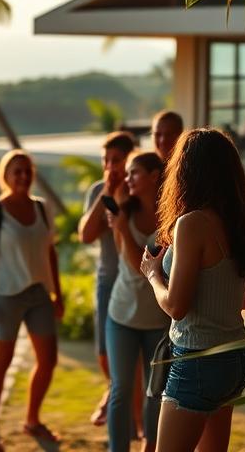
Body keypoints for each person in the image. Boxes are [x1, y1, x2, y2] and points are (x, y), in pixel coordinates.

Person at [140, 129, 245, 452]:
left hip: (197, 358)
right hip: (234, 358)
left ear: (187, 171)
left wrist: (154, 275)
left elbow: (176, 307)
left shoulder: (192, 224)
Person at [0, 149, 64, 452]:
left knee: (48, 361)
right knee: (2, 362)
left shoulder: (42, 208)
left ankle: (32, 420)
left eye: (27, 171)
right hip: (4, 296)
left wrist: (58, 294)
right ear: (6, 176)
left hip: (38, 293)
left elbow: (50, 252)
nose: (23, 177)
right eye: (17, 172)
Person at [104, 151, 169, 452]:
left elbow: (142, 267)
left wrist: (120, 229)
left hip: (157, 319)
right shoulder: (123, 211)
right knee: (120, 390)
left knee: (154, 391)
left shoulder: (172, 217)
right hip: (121, 315)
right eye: (127, 174)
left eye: (135, 173)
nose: (128, 178)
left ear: (155, 176)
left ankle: (150, 447)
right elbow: (132, 265)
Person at [78, 131, 138, 428]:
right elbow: (85, 235)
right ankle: (114, 391)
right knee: (103, 353)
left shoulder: (137, 189)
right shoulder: (98, 190)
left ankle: (134, 420)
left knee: (134, 357)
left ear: (129, 158)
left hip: (134, 281)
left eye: (116, 160)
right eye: (106, 160)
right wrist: (104, 198)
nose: (110, 166)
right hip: (106, 280)